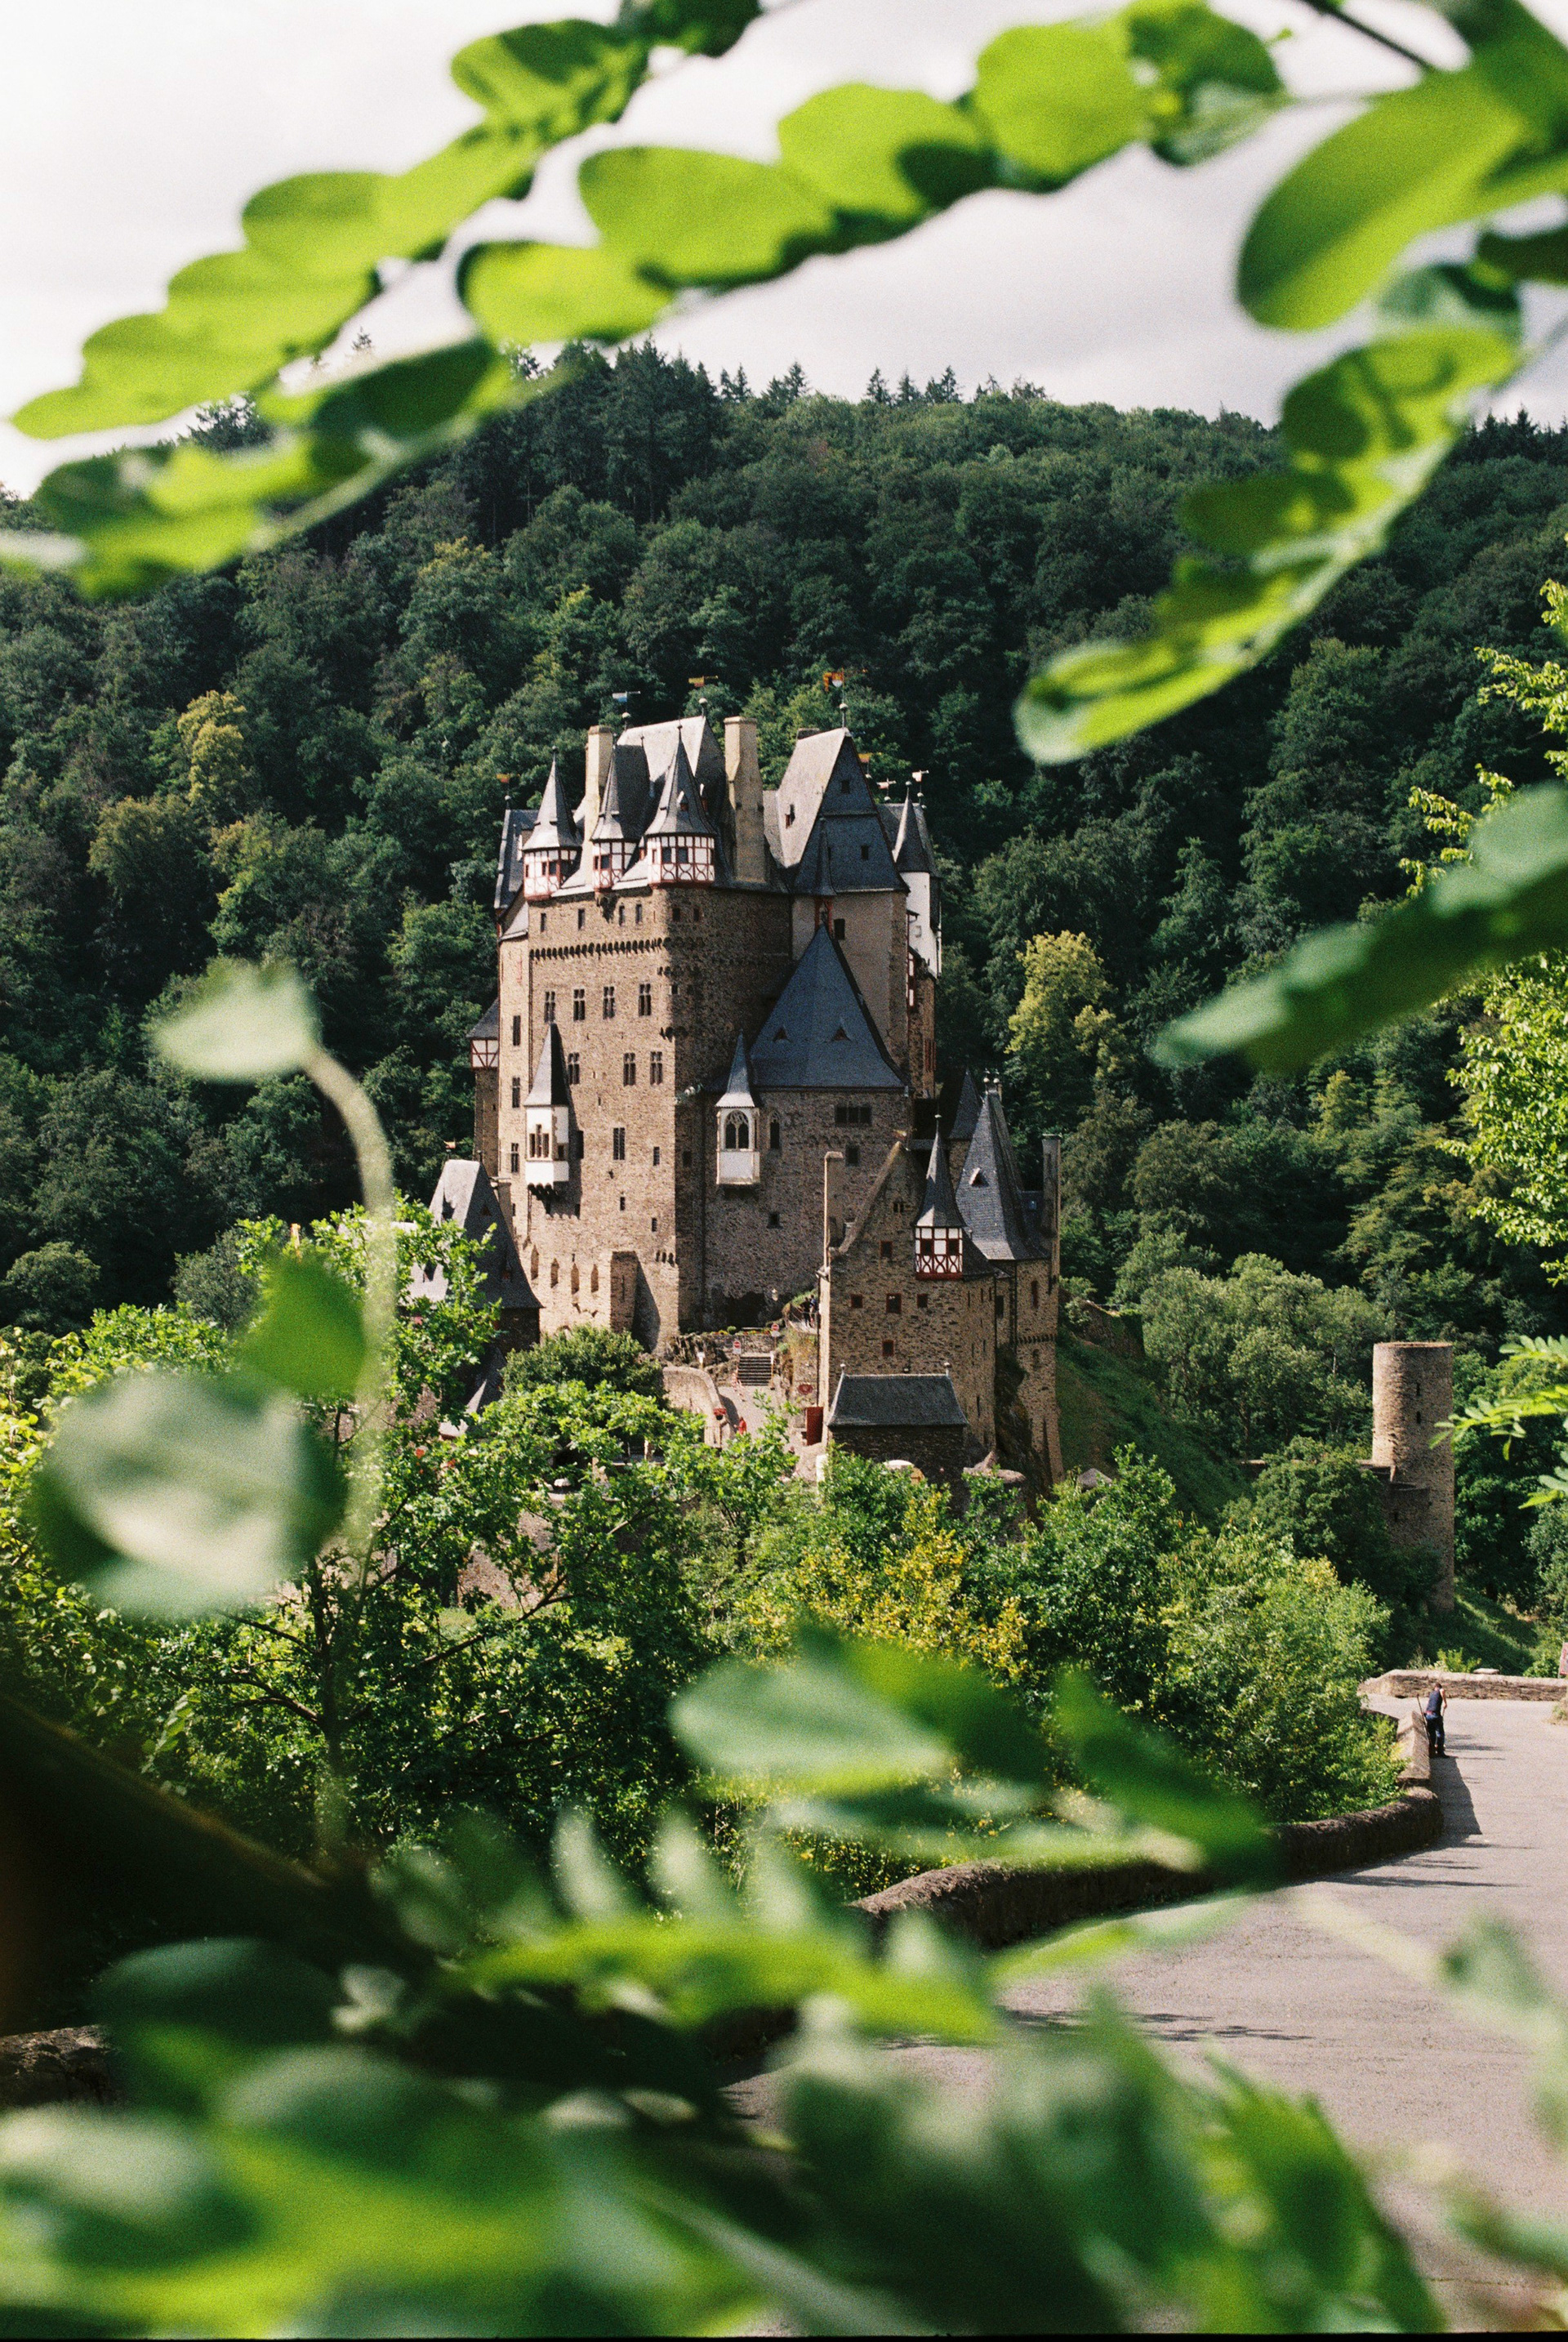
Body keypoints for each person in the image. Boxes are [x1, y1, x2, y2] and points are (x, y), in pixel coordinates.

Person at [1423, 1679, 1446, 1757]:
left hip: (1428, 1715)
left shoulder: (1432, 1693)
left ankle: (1432, 1752)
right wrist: (1445, 1703)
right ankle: (1440, 1752)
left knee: (1432, 1734)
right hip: (1435, 1715)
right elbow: (1442, 1691)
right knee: (1440, 1733)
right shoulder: (1440, 1690)